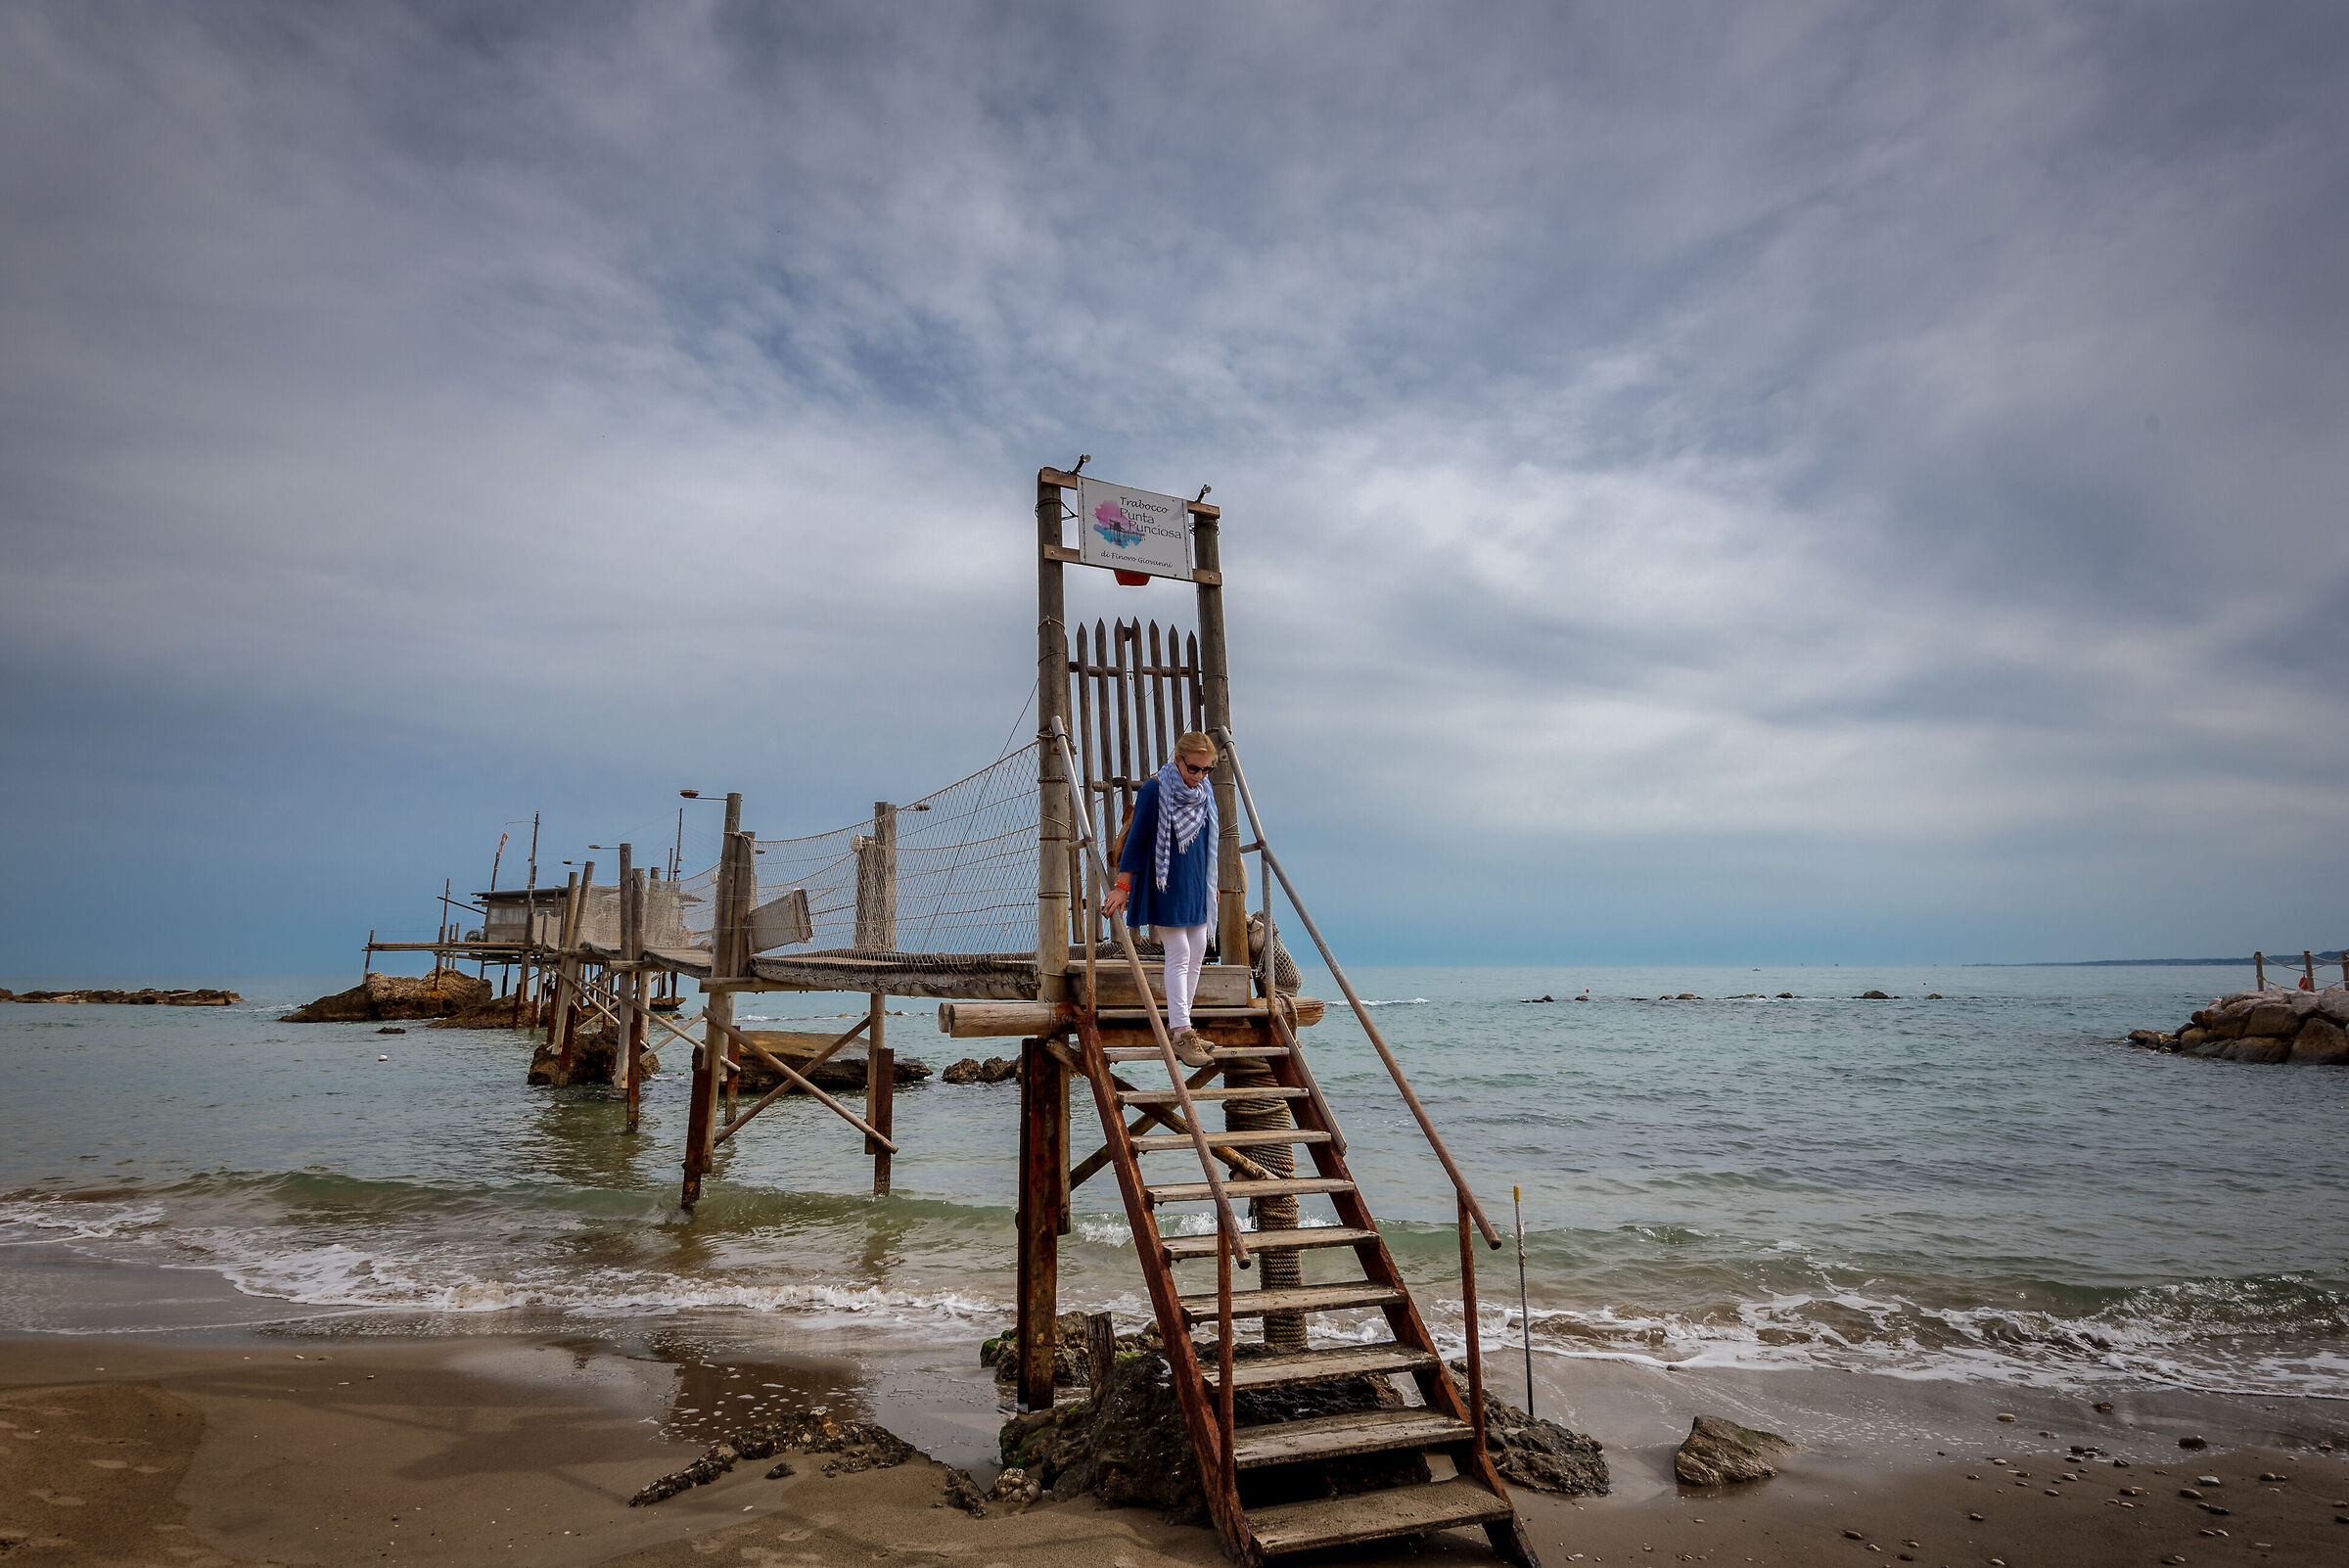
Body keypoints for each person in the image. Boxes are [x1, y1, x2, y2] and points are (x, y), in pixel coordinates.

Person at [1104, 732, 1221, 1068]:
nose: (1198, 776)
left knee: (1199, 949)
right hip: (1164, 881)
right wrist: (1122, 888)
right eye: (1193, 768)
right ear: (1178, 759)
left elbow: (1208, 842)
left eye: (1206, 770)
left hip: (1197, 883)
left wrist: (1211, 883)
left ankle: (1186, 1025)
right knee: (1180, 952)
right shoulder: (1155, 789)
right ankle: (1182, 1032)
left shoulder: (1205, 792)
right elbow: (1137, 839)